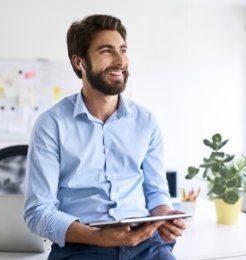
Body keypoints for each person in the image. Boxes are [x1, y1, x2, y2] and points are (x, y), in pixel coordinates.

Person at [24, 14, 186, 260]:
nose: (121, 61)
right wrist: (97, 236)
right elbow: (38, 212)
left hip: (146, 244)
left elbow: (156, 192)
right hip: (82, 245)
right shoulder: (51, 125)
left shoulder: (146, 121)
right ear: (79, 62)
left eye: (123, 50)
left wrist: (164, 214)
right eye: (106, 51)